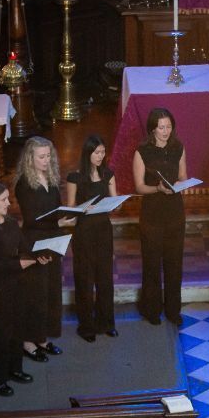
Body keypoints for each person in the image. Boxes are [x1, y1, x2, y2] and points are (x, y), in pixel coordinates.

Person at [0, 181, 50, 396]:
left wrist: (39, 256)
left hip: (17, 283)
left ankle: (15, 369)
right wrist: (18, 264)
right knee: (1, 332)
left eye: (8, 198)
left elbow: (25, 248)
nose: (9, 203)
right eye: (4, 200)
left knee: (18, 326)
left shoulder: (10, 223)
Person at [14, 136, 72, 362]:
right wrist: (58, 223)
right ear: (30, 158)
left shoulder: (51, 178)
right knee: (34, 296)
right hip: (34, 243)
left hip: (53, 240)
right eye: (41, 157)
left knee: (50, 293)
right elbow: (31, 219)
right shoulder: (24, 185)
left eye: (49, 156)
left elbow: (55, 209)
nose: (46, 160)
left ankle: (43, 338)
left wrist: (66, 217)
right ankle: (28, 342)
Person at [133, 108, 187, 326]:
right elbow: (139, 187)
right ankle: (151, 309)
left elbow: (183, 176)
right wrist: (157, 189)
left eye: (169, 127)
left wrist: (181, 185)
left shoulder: (178, 147)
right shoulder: (142, 151)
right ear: (152, 129)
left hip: (175, 211)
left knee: (174, 263)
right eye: (161, 127)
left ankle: (173, 310)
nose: (166, 131)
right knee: (152, 262)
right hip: (152, 212)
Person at [66, 135, 118, 343]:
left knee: (105, 278)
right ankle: (86, 326)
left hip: (104, 230)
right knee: (85, 279)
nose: (100, 156)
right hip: (84, 232)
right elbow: (70, 210)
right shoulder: (75, 177)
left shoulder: (108, 174)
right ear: (87, 153)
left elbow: (115, 203)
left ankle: (107, 323)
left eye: (103, 152)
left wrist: (115, 203)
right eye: (97, 152)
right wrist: (82, 209)